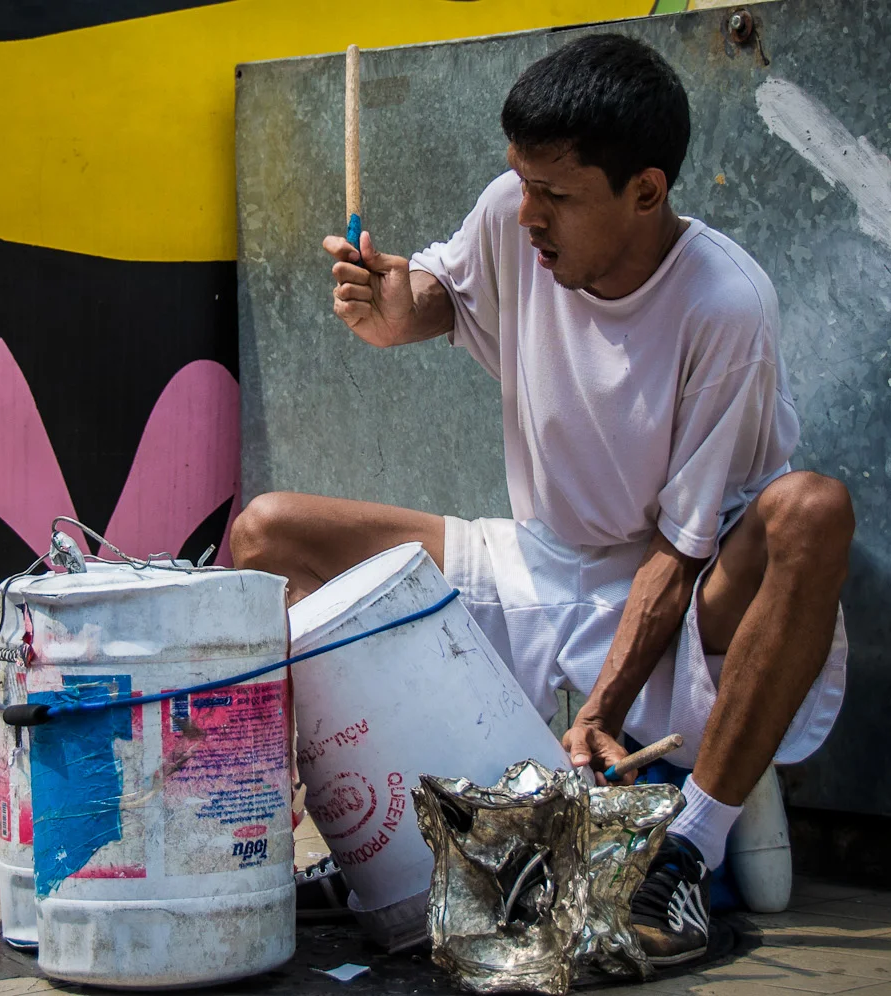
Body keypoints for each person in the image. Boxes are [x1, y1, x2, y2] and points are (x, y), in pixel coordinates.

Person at [234, 33, 852, 965]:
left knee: (813, 510)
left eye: (555, 195)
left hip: (684, 591)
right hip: (534, 555)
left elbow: (681, 549)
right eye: (522, 182)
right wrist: (394, 307)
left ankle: (686, 850)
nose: (527, 213)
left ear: (646, 192)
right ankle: (378, 859)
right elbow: (441, 297)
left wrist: (602, 707)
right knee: (269, 533)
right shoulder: (511, 210)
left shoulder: (727, 303)